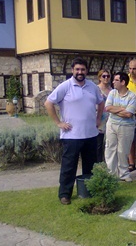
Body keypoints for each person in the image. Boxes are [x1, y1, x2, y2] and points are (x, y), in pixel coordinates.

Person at [44, 57, 104, 205]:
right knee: (68, 167)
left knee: (91, 167)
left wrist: (98, 119)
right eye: (77, 69)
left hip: (91, 134)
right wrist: (59, 122)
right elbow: (48, 103)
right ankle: (65, 194)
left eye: (83, 69)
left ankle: (89, 190)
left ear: (86, 71)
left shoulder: (92, 87)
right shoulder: (65, 86)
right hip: (72, 136)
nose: (80, 72)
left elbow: (101, 102)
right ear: (72, 70)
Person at [104, 72, 136, 182]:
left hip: (126, 127)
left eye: (116, 80)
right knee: (110, 149)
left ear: (123, 82)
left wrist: (115, 110)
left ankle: (123, 174)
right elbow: (107, 108)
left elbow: (129, 114)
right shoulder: (112, 93)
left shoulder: (132, 96)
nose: (113, 82)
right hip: (112, 125)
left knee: (123, 150)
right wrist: (122, 109)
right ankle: (111, 175)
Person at [97, 69, 112, 162]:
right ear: (100, 78)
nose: (106, 78)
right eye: (104, 76)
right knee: (98, 144)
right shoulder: (96, 89)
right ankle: (98, 163)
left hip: (109, 118)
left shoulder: (112, 90)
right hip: (99, 118)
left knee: (109, 143)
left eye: (108, 76)